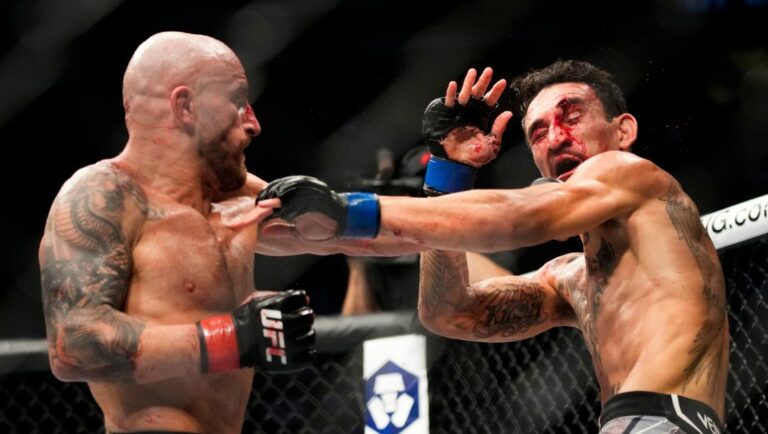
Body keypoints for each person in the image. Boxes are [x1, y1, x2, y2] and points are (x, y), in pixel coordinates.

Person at [255, 62, 729, 433]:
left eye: (572, 115)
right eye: (539, 132)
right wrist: (446, 182)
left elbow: (525, 216)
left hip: (670, 420)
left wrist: (351, 210)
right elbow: (450, 312)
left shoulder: (635, 174)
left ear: (623, 131)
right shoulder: (574, 278)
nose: (557, 136)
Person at [37, 31, 325, 434]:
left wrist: (441, 169)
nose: (254, 124)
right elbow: (72, 344)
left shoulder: (238, 201)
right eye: (237, 100)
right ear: (186, 106)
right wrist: (235, 337)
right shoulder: (103, 194)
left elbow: (366, 233)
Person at [341, 146, 510, 315]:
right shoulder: (386, 256)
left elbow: (507, 294)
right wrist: (358, 264)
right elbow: (354, 329)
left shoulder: (484, 235)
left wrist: (431, 239)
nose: (431, 205)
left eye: (441, 196)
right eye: (423, 196)